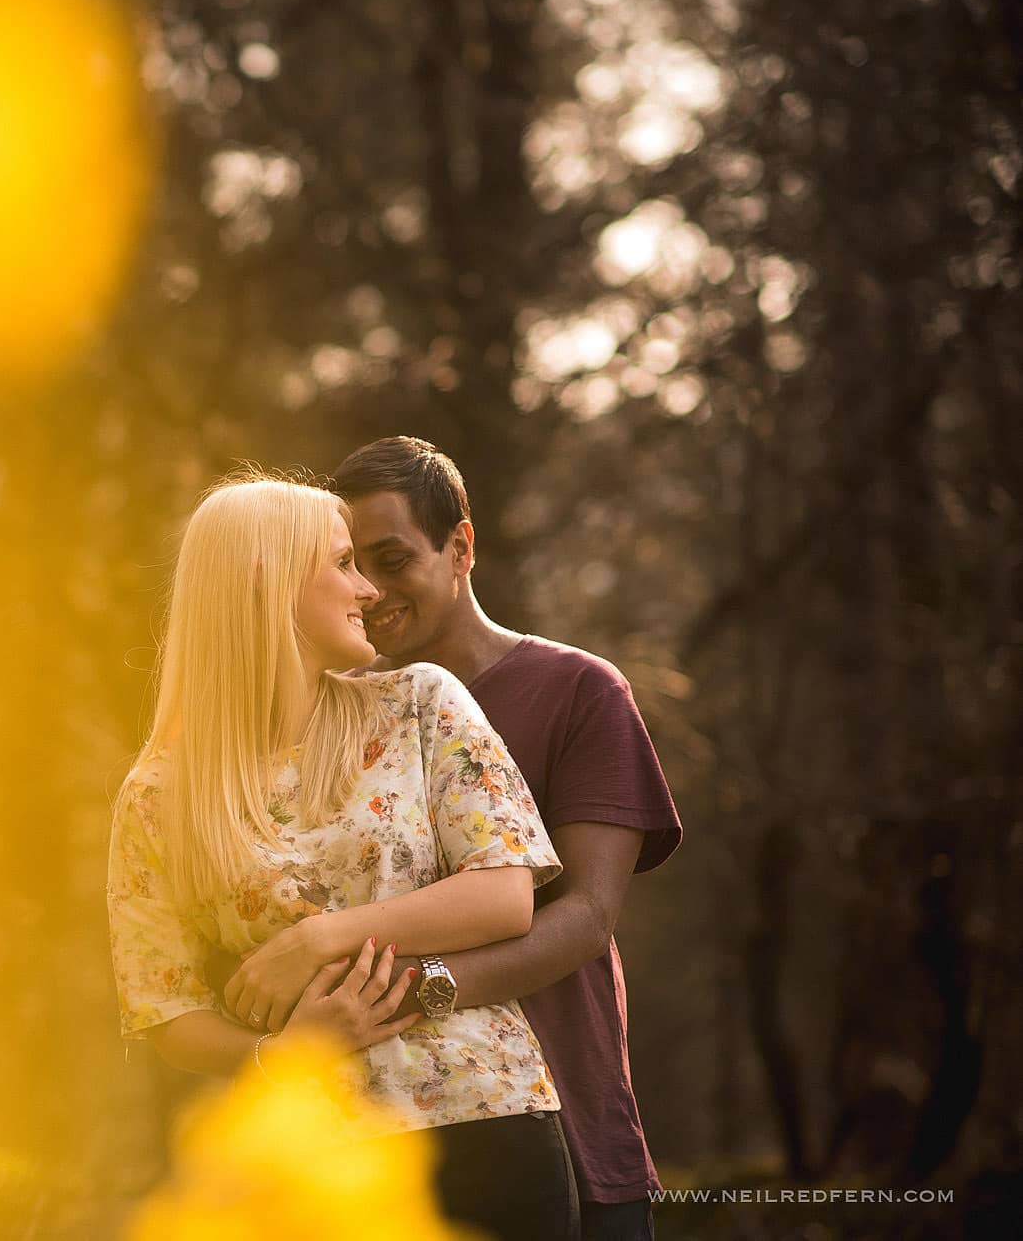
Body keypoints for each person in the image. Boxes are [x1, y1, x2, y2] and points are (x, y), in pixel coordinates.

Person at [106, 473, 579, 1241]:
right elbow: (166, 1010)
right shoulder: (158, 793)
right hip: (303, 1171)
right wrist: (282, 1055)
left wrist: (318, 940)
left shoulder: (422, 704)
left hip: (484, 1122)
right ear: (268, 578)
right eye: (342, 564)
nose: (367, 590)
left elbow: (504, 895)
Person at [288, 435, 680, 1241]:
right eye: (351, 566)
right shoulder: (328, 716)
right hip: (383, 1147)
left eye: (393, 560)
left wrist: (410, 990)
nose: (370, 590)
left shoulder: (580, 691)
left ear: (461, 547)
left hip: (568, 1125)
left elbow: (586, 917)